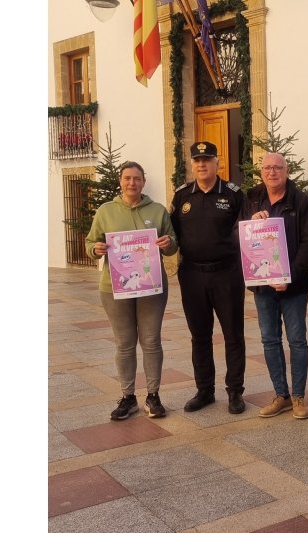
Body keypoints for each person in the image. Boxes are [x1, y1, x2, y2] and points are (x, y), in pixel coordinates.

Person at [86, 161, 178, 420]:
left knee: (151, 341)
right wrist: (96, 249)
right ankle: (128, 397)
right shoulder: (106, 211)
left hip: (151, 287)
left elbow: (173, 243)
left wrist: (168, 242)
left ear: (143, 182)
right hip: (114, 288)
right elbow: (91, 241)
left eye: (137, 178)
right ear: (120, 181)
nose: (132, 183)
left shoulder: (158, 211)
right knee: (124, 344)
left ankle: (153, 395)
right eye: (127, 178)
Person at [170, 141, 247, 415]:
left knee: (233, 335)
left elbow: (248, 230)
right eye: (197, 160)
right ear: (192, 164)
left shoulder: (234, 194)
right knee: (199, 336)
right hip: (192, 276)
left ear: (217, 163)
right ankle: (205, 391)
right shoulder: (182, 197)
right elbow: (173, 236)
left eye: (207, 159)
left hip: (227, 274)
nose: (202, 164)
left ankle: (235, 392)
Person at [247, 152, 308, 420]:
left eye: (278, 167)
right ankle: (281, 395)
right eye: (267, 168)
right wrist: (251, 223)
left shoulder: (301, 201)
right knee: (269, 340)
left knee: (297, 340)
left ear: (286, 171)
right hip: (263, 286)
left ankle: (298, 396)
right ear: (261, 171)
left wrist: (290, 277)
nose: (272, 172)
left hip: (294, 287)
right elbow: (238, 234)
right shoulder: (252, 199)